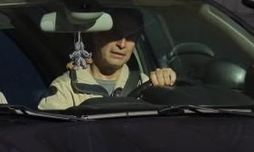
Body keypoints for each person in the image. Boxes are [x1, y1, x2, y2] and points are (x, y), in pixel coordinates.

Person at [38, 10, 177, 109]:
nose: (122, 45)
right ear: (96, 36)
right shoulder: (66, 88)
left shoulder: (146, 84)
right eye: (115, 35)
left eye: (130, 38)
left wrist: (166, 84)